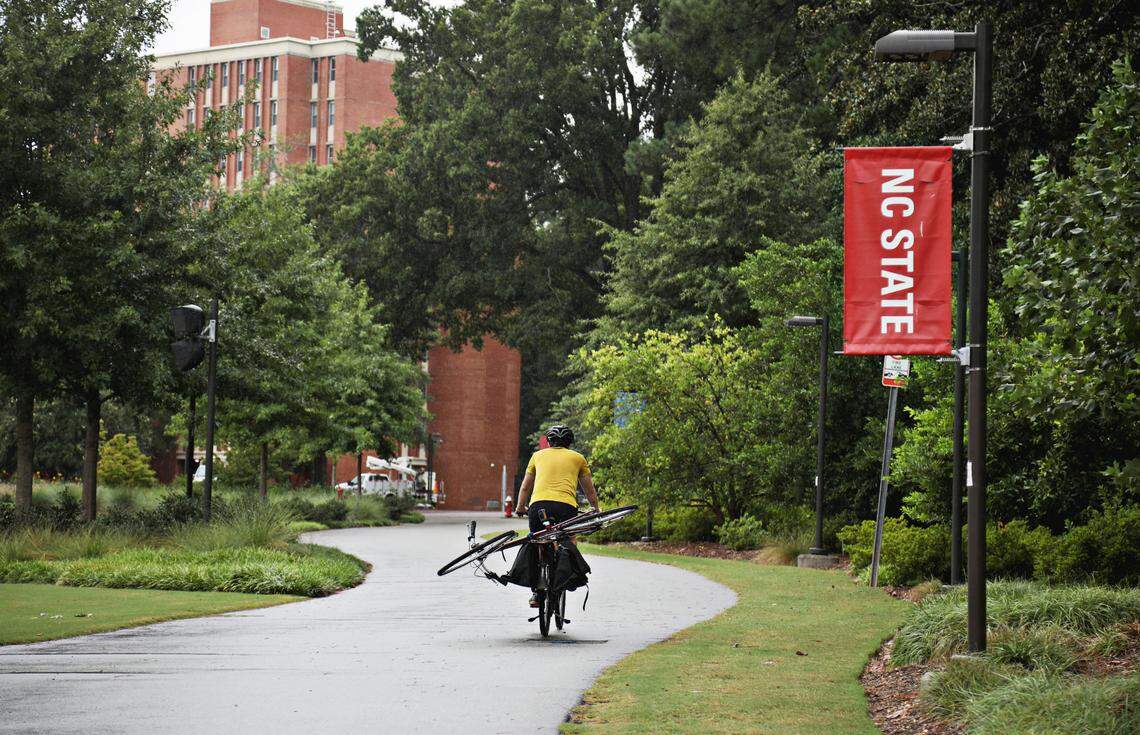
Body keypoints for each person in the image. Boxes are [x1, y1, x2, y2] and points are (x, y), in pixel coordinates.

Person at [514, 424, 599, 607]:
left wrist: (521, 506)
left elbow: (525, 486)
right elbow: (588, 489)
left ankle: (537, 594)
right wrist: (595, 509)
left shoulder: (537, 456)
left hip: (538, 506)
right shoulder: (578, 458)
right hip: (566, 507)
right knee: (568, 540)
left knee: (537, 542)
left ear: (549, 442)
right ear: (570, 442)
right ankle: (568, 576)